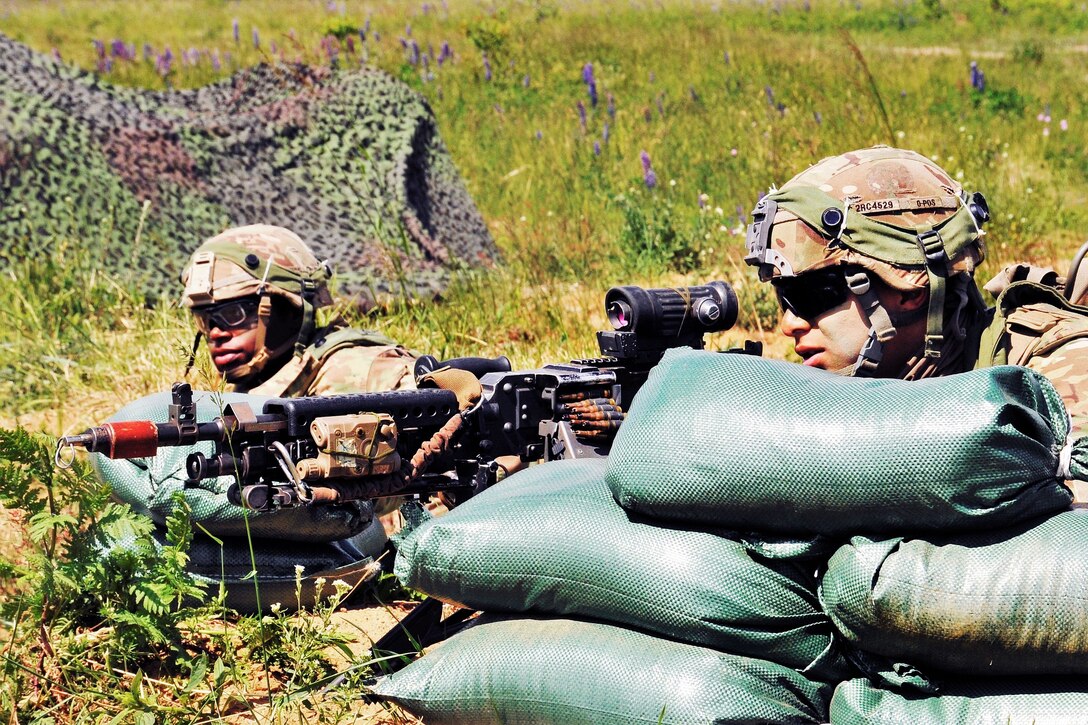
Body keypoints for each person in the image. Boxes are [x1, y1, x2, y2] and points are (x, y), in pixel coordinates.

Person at [743, 146, 1088, 445]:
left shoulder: (1053, 373)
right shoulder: (869, 379)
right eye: (783, 297)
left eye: (811, 294)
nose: (789, 324)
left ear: (908, 288)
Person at [181, 224, 416, 396]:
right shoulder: (251, 388)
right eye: (205, 319)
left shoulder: (361, 369)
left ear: (289, 308)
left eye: (233, 315)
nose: (215, 333)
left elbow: (445, 397)